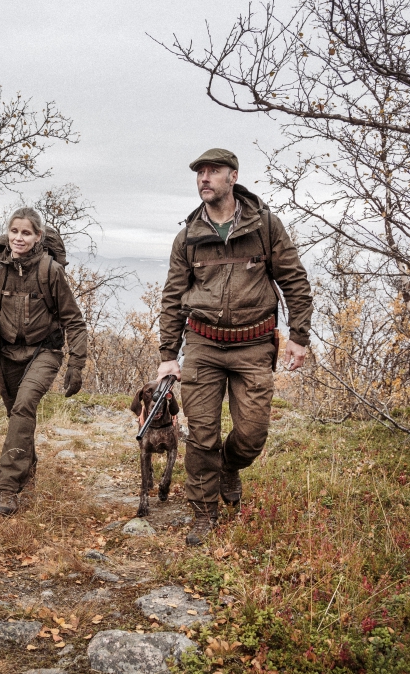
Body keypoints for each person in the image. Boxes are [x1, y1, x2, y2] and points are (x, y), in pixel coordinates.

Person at [157, 148, 313, 546]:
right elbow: (173, 298)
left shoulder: (265, 226)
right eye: (200, 173)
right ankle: (203, 512)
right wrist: (167, 357)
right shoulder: (188, 237)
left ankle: (229, 466)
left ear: (233, 176)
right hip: (203, 345)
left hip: (253, 345)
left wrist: (298, 337)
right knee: (202, 435)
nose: (204, 178)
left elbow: (294, 280)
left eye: (213, 171)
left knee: (251, 435)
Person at [0, 208, 88, 516]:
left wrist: (76, 365)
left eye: (26, 233)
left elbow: (74, 321)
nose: (19, 238)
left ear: (38, 236)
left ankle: (7, 488)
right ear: (8, 233)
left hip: (45, 352)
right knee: (17, 416)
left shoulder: (50, 271)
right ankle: (26, 472)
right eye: (14, 231)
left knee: (23, 406)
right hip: (8, 355)